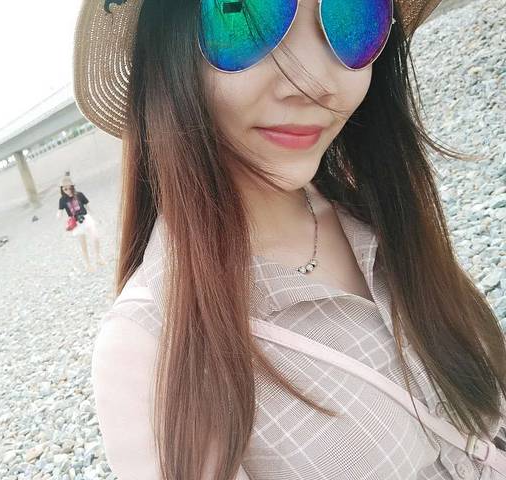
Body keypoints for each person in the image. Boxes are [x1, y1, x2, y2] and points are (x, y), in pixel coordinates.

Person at [73, 0, 506, 479]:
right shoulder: (152, 349)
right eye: (246, 16)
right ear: (167, 52)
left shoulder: (382, 215)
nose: (315, 83)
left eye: (352, 17)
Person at [57, 174, 105, 271]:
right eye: (65, 189)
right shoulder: (62, 200)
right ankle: (87, 264)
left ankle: (98, 257)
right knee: (83, 245)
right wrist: (59, 215)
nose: (67, 190)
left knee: (96, 237)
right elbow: (60, 211)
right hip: (76, 222)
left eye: (69, 188)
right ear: (62, 189)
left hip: (86, 218)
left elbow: (88, 206)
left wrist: (97, 216)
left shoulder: (79, 195)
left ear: (72, 187)